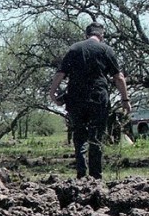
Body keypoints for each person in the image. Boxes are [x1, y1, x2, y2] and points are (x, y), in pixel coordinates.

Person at [49, 22, 131, 179]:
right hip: (98, 99)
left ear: (86, 35)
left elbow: (60, 73)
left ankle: (81, 175)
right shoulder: (106, 50)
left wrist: (52, 92)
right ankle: (95, 178)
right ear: (102, 35)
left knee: (79, 136)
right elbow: (118, 77)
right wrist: (125, 99)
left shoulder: (74, 49)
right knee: (96, 138)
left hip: (75, 99)